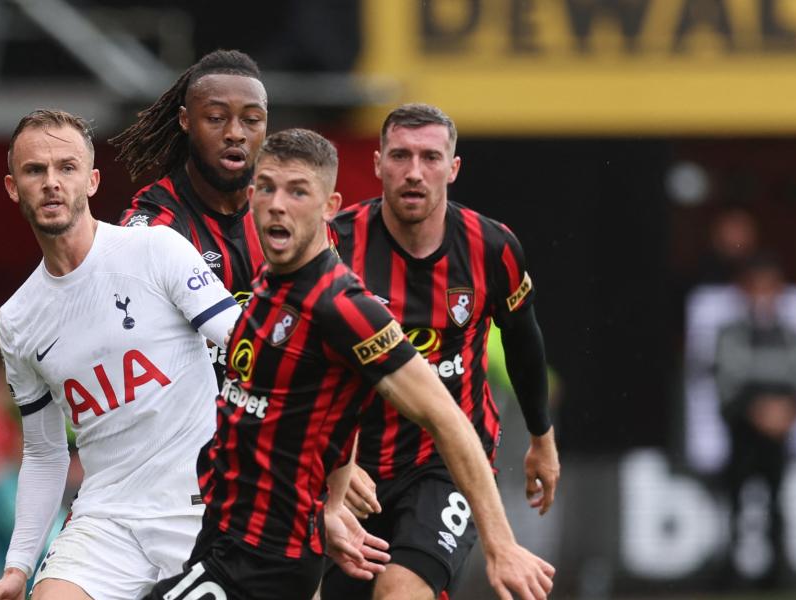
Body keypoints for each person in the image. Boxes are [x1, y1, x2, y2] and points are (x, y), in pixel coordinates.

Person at [147, 129, 554, 600]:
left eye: (297, 191)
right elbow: (340, 406)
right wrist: (335, 502)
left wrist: (501, 546)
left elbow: (447, 417)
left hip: (263, 562)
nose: (278, 204)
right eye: (267, 188)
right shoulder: (269, 285)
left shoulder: (342, 305)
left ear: (328, 207)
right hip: (228, 541)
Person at [0, 109, 242, 600]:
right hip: (106, 520)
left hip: (199, 509)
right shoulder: (16, 318)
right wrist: (18, 566)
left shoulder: (155, 250)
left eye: (67, 167)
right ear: (13, 187)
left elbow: (245, 347)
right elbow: (43, 453)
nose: (52, 183)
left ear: (93, 180)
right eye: (35, 170)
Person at [321, 103, 559, 599]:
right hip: (351, 464)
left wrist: (542, 436)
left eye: (430, 158)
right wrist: (335, 464)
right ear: (378, 163)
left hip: (444, 462)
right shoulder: (332, 246)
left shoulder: (492, 247)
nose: (414, 173)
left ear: (453, 168)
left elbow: (522, 338)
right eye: (401, 156)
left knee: (401, 593)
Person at [110, 49, 267, 374]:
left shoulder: (286, 212)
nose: (236, 133)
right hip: (193, 420)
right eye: (216, 118)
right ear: (185, 120)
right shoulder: (154, 226)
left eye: (251, 120)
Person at [713, 254, 796, 588]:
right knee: (736, 501)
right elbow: (727, 385)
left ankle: (778, 570)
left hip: (778, 437)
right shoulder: (732, 335)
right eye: (757, 288)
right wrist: (758, 412)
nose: (763, 295)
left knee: (777, 502)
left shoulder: (790, 336)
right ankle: (731, 570)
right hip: (744, 435)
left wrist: (785, 413)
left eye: (770, 287)